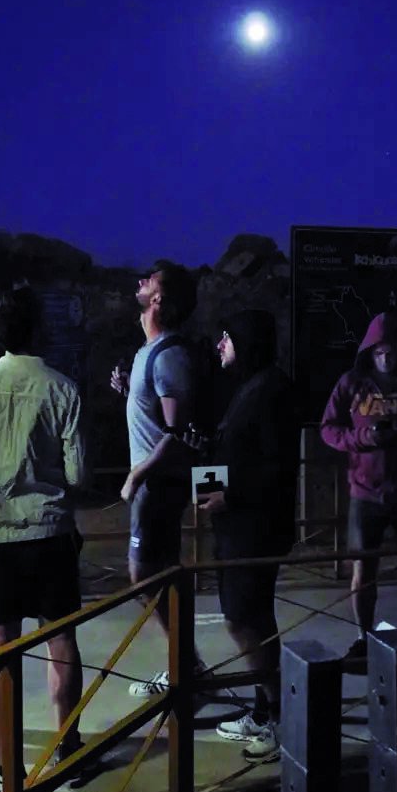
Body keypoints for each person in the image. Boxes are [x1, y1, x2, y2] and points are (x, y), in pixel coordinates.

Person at [0, 288, 89, 792]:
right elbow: (78, 471)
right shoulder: (63, 389)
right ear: (37, 331)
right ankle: (68, 749)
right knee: (62, 640)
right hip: (49, 533)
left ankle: (6, 763)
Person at [145, 311, 298, 763]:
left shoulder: (272, 391)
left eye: (227, 337)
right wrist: (205, 451)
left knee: (243, 619)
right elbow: (244, 452)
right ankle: (264, 708)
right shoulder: (251, 387)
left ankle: (280, 717)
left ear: (247, 341)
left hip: (255, 528)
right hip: (240, 525)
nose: (220, 346)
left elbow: (276, 467)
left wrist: (230, 496)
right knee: (252, 617)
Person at [112, 262, 206, 697]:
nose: (140, 280)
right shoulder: (150, 350)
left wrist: (138, 474)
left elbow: (176, 430)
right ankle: (186, 664)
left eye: (148, 278)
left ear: (159, 298)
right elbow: (157, 413)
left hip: (158, 484)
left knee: (144, 574)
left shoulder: (169, 354)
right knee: (158, 573)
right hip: (154, 482)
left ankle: (185, 665)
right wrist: (129, 389)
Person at [320, 313, 397, 662]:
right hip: (365, 491)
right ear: (370, 350)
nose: (386, 357)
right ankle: (363, 638)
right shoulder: (352, 383)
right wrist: (364, 437)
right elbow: (328, 428)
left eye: (391, 350)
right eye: (379, 350)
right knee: (363, 570)